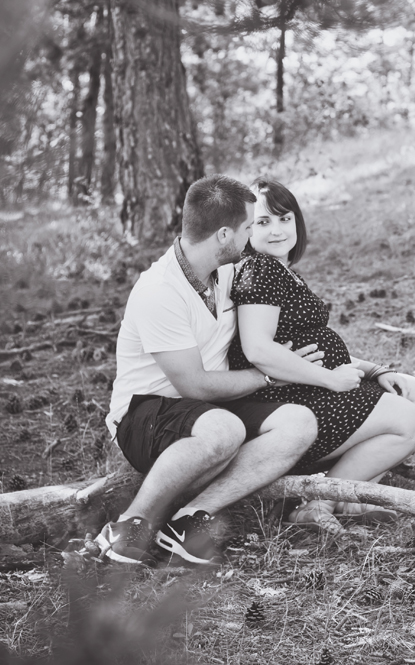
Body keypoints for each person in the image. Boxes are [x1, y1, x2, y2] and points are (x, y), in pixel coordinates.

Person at [96, 174, 322, 566]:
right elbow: (193, 385)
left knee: (300, 422)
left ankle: (189, 520)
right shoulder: (159, 291)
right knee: (226, 429)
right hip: (148, 413)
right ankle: (130, 524)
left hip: (211, 408)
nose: (255, 235)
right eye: (249, 227)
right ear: (223, 235)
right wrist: (268, 377)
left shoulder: (229, 272)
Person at [226, 177, 415, 533]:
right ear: (246, 229)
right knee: (409, 421)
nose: (277, 230)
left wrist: (374, 370)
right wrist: (332, 379)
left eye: (285, 219)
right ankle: (316, 503)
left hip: (310, 386)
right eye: (263, 222)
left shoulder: (284, 272)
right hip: (283, 401)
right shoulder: (259, 270)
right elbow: (258, 348)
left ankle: (353, 497)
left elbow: (311, 350)